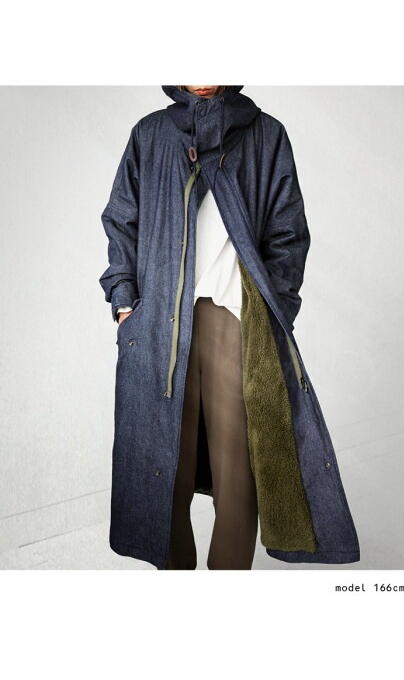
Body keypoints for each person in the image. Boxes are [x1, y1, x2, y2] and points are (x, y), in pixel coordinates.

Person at [99, 86, 360, 570]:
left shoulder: (265, 135)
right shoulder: (150, 135)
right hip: (159, 327)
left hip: (236, 324)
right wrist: (124, 306)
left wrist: (272, 312)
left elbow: (288, 234)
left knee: (239, 484)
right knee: (163, 479)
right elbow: (121, 222)